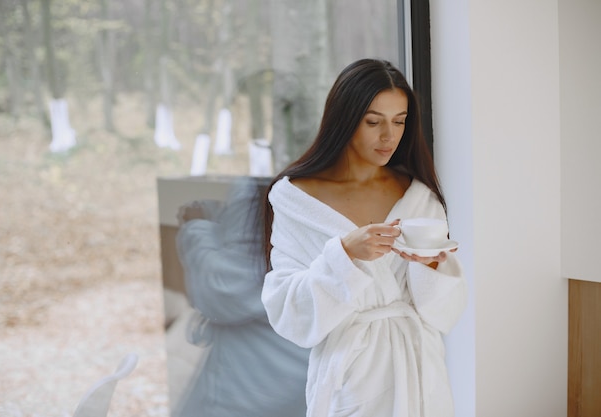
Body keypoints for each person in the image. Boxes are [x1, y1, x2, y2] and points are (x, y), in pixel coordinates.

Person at [261, 59, 467, 417]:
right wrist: (343, 256)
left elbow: (445, 312)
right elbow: (287, 309)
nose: (389, 136)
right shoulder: (297, 200)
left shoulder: (418, 196)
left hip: (420, 370)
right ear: (345, 119)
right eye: (374, 122)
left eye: (399, 122)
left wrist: (432, 264)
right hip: (350, 375)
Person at [173, 177, 310, 417]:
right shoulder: (338, 184)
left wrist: (197, 227)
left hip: (253, 376)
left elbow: (227, 290)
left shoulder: (259, 186)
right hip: (304, 369)